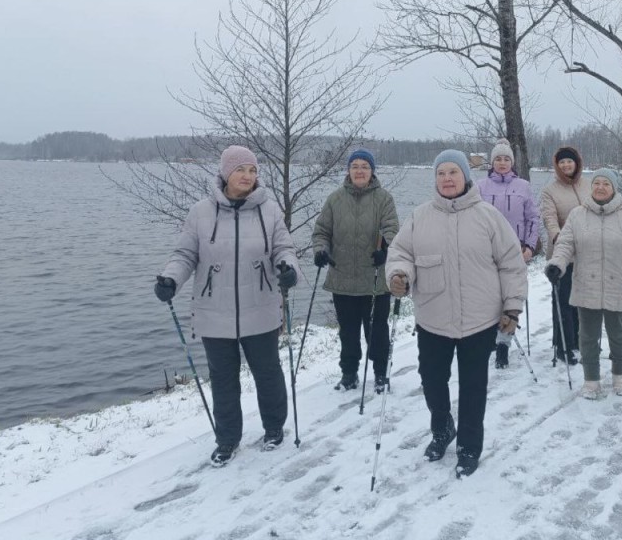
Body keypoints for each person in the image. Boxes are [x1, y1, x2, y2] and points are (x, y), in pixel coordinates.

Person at [155, 145, 302, 467]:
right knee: (223, 379)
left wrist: (288, 268)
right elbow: (184, 255)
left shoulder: (270, 210)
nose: (247, 176)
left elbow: (284, 247)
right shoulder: (201, 212)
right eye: (240, 170)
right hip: (214, 311)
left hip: (260, 307)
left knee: (268, 373)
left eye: (252, 170)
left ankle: (274, 428)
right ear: (225, 173)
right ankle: (227, 439)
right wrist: (170, 279)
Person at [386, 149, 528, 477]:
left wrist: (512, 307)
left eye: (453, 172)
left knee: (473, 386)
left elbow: (511, 264)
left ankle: (469, 445)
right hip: (432, 318)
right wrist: (400, 275)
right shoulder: (420, 217)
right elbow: (400, 251)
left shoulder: (488, 216)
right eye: (441, 173)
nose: (447, 179)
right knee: (433, 381)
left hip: (480, 320)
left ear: (465, 177)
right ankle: (442, 429)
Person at [545, 168, 622, 399]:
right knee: (587, 336)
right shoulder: (577, 214)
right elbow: (565, 244)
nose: (600, 187)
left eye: (606, 183)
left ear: (614, 188)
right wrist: (556, 264)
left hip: (617, 284)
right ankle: (591, 381)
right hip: (586, 285)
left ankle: (620, 376)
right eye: (596, 183)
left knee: (618, 334)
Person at [311, 149, 400, 394]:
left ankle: (381, 374)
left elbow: (392, 227)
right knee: (348, 333)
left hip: (375, 279)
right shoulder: (335, 199)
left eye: (364, 166)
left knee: (377, 331)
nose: (359, 170)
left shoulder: (384, 198)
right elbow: (321, 232)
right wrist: (321, 250)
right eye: (355, 166)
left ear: (372, 171)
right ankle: (349, 374)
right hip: (343, 280)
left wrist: (386, 247)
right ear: (348, 170)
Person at [476, 138, 540, 370]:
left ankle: (504, 344)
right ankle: (489, 337)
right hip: (486, 252)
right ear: (492, 162)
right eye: (498, 159)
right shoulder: (481, 187)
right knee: (490, 298)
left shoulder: (522, 186)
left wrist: (530, 247)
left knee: (511, 298)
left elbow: (533, 218)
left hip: (515, 251)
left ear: (512, 163)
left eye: (506, 159)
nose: (502, 163)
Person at [539, 145, 589, 365]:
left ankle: (579, 341)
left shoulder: (588, 185)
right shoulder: (550, 191)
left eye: (570, 161)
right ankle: (563, 345)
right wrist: (558, 238)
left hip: (587, 253)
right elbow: (549, 218)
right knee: (564, 300)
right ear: (557, 166)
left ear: (577, 163)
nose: (566, 165)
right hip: (563, 254)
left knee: (582, 300)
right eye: (562, 163)